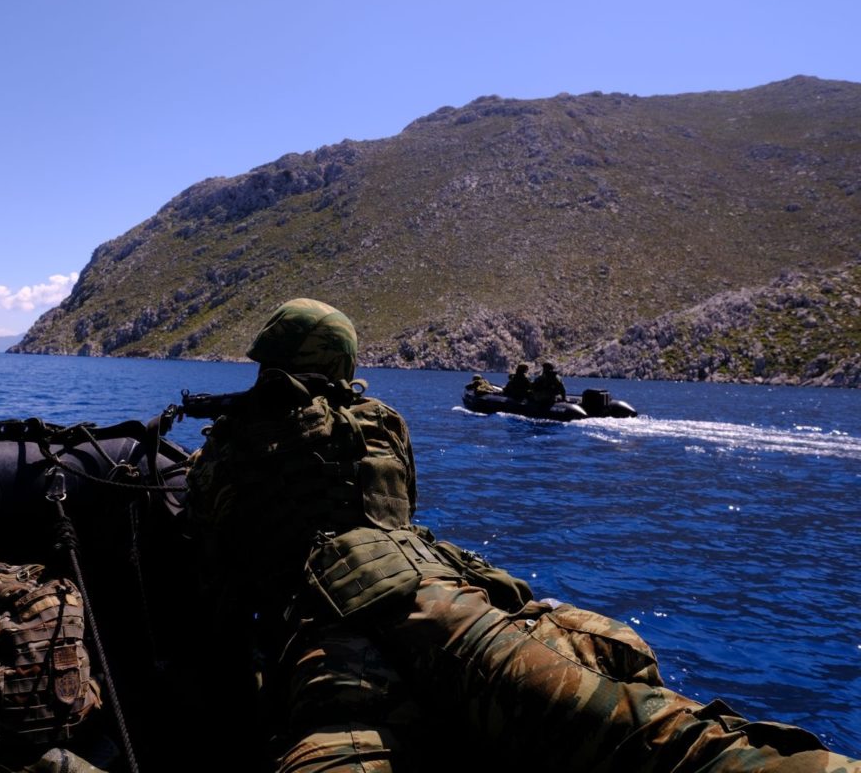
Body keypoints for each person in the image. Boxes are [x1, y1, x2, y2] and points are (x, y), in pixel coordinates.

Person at [186, 299, 860, 772]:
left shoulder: (228, 444)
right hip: (436, 597)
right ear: (342, 359)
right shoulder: (378, 421)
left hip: (323, 625)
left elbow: (215, 550)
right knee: (640, 727)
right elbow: (396, 511)